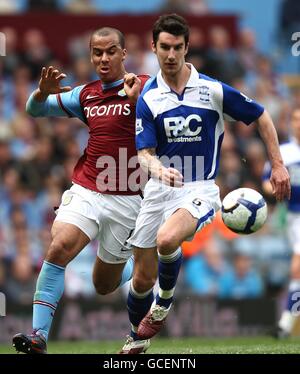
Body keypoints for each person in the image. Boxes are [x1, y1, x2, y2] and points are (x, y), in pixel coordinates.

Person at [119, 14, 291, 354]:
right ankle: (138, 340)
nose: (170, 55)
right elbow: (144, 154)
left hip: (199, 187)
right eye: (164, 47)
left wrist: (278, 164)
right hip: (158, 189)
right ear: (153, 48)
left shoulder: (211, 89)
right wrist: (159, 170)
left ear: (187, 47)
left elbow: (260, 115)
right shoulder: (148, 97)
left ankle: (164, 303)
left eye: (177, 48)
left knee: (167, 239)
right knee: (139, 281)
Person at [12, 27, 149, 354]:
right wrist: (41, 94)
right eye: (97, 52)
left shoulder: (144, 85)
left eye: (111, 51)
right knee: (59, 246)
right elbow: (35, 110)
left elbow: (169, 106)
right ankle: (38, 337)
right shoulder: (85, 95)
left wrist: (139, 98)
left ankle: (139, 268)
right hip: (89, 187)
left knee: (103, 285)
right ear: (91, 55)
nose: (104, 58)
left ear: (124, 54)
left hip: (128, 199)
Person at [263, 106, 300, 338]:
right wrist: (274, 189)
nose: (299, 123)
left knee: (297, 269)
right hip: (288, 217)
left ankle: (285, 325)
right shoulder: (284, 152)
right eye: (296, 119)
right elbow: (267, 181)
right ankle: (286, 324)